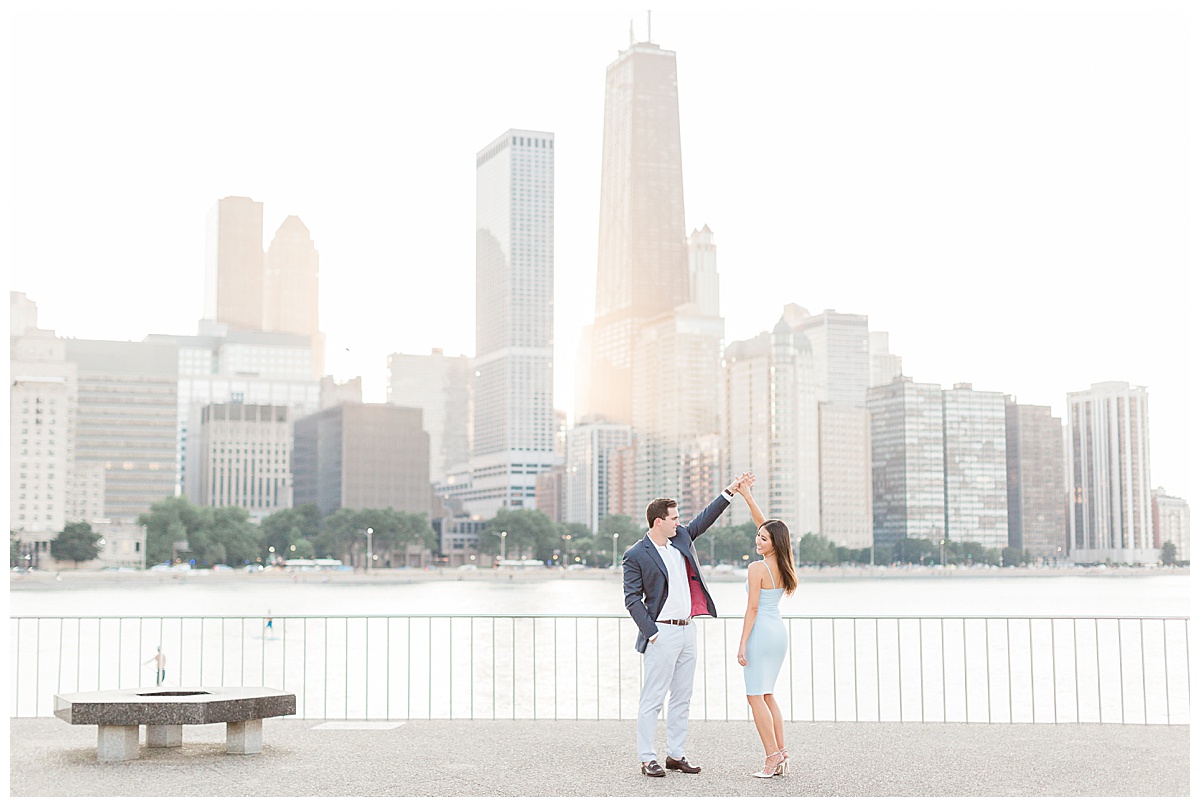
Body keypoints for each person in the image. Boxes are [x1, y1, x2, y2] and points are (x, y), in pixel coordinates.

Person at [623, 473, 752, 778]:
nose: (679, 522)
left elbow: (704, 520)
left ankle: (675, 755)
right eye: (674, 518)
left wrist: (730, 492)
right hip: (661, 632)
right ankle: (647, 758)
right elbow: (631, 599)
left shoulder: (680, 538)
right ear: (658, 522)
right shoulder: (636, 554)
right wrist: (652, 634)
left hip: (688, 630)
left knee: (683, 696)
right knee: (653, 698)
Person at [735, 481, 798, 778]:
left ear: (773, 542)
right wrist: (747, 497)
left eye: (763, 538)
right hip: (779, 635)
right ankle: (781, 752)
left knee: (754, 696)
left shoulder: (756, 569)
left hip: (761, 634)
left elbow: (752, 609)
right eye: (757, 536)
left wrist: (742, 643)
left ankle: (771, 757)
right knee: (768, 694)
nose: (758, 540)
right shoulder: (785, 563)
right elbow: (769, 525)